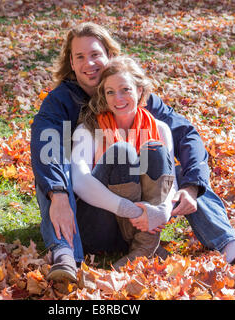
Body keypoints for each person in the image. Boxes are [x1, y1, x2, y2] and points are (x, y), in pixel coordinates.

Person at [30, 22, 235, 282]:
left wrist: (191, 187)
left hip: (141, 211)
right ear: (71, 64)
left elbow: (186, 135)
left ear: (110, 55)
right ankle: (65, 253)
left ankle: (232, 247)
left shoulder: (138, 97)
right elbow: (47, 147)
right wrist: (59, 193)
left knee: (183, 173)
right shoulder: (60, 102)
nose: (90, 63)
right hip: (92, 210)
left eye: (96, 54)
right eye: (80, 57)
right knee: (55, 176)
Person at [71, 56, 178, 270]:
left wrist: (163, 212)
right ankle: (146, 247)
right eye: (110, 92)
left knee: (155, 149)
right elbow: (79, 182)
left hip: (137, 230)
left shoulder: (160, 129)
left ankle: (142, 249)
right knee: (122, 151)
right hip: (98, 229)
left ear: (139, 90)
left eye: (125, 90)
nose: (117, 98)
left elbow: (171, 183)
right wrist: (132, 211)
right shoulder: (88, 130)